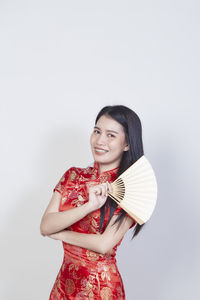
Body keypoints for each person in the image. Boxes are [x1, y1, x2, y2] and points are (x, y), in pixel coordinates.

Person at [40, 105, 145, 299]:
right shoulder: (73, 175)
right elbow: (45, 225)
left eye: (111, 135)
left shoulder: (131, 189)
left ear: (127, 144)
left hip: (100, 288)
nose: (100, 140)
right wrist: (89, 206)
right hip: (64, 284)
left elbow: (104, 244)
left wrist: (60, 234)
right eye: (97, 131)